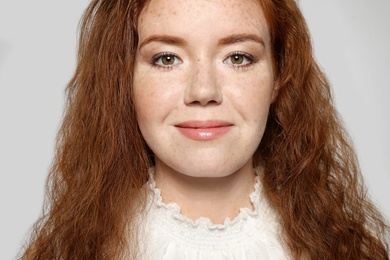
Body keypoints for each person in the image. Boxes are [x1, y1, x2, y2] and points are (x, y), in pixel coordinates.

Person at [21, 0, 389, 259]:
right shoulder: (69, 252)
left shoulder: (345, 250)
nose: (203, 92)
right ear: (124, 80)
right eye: (167, 58)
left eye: (238, 57)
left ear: (280, 77)